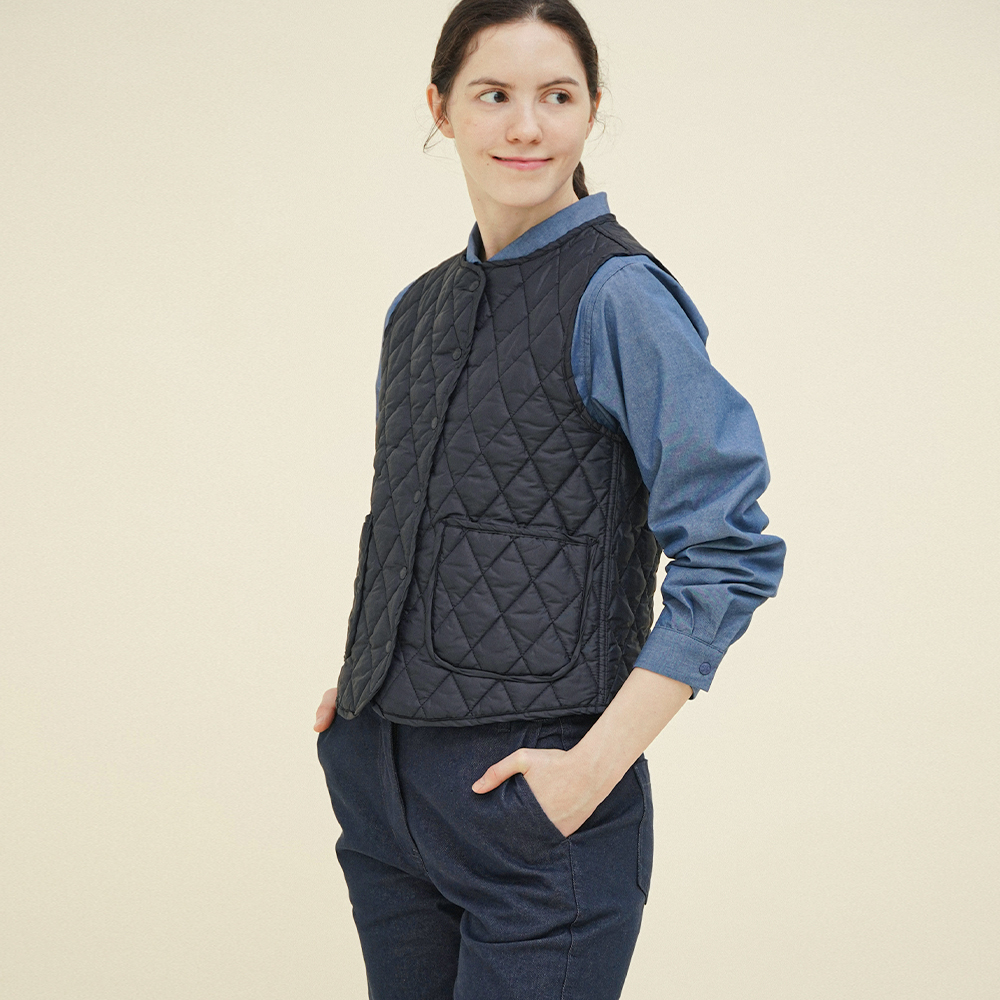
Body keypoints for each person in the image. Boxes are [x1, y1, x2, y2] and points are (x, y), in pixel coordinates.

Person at [314, 1, 785, 997]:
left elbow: (729, 548)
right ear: (441, 108)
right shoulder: (417, 310)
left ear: (591, 109)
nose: (525, 126)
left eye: (557, 96)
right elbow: (412, 517)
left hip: (535, 808)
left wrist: (589, 772)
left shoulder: (619, 294)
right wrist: (364, 686)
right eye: (494, 95)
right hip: (385, 793)